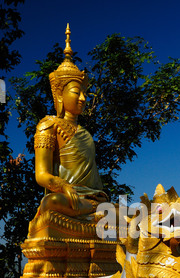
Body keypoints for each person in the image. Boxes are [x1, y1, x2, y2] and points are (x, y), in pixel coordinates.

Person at [34, 24, 108, 219]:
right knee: (51, 203)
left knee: (120, 210)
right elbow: (41, 174)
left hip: (92, 200)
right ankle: (96, 214)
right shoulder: (48, 125)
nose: (83, 98)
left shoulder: (85, 133)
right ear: (60, 94)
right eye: (77, 92)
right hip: (66, 197)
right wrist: (64, 186)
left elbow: (94, 184)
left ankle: (97, 212)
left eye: (84, 93)